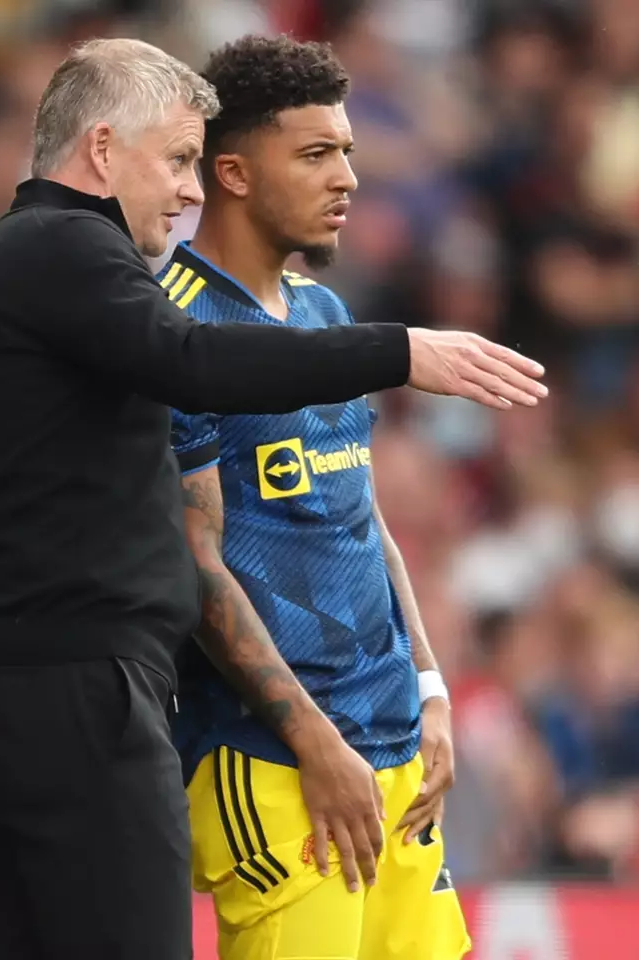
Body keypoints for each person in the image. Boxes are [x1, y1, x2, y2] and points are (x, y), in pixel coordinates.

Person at [0, 38, 544, 960]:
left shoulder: (60, 271)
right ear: (102, 151)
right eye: (176, 160)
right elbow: (192, 367)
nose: (187, 190)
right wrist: (401, 350)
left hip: (61, 677)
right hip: (93, 687)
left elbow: (357, 516)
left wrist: (426, 685)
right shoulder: (69, 254)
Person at [166, 37, 471, 959]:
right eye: (315, 154)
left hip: (393, 753)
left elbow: (359, 517)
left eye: (346, 151)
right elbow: (194, 558)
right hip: (273, 766)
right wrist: (313, 743)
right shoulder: (172, 329)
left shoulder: (325, 317)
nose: (347, 177)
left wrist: (429, 688)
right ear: (234, 173)